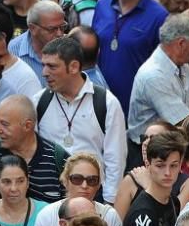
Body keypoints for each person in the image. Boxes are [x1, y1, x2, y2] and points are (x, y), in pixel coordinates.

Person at [34, 37, 126, 203]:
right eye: (43, 65)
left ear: (74, 66)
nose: (44, 73)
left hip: (90, 193)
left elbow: (115, 159)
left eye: (52, 66)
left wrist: (109, 203)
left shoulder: (106, 102)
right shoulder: (38, 101)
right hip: (48, 194)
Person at [93, 0, 168, 114]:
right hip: (100, 104)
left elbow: (162, 68)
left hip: (137, 109)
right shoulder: (102, 5)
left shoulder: (159, 17)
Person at [127, 14, 189, 150]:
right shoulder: (153, 76)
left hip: (172, 145)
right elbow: (182, 122)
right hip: (147, 151)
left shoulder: (184, 66)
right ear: (181, 44)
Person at [31, 153, 125, 226]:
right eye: (77, 179)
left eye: (92, 180)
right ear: (65, 181)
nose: (84, 185)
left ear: (98, 185)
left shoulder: (110, 216)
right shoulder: (47, 215)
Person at [0, 157, 46, 226]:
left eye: (20, 181)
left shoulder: (45, 212)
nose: (13, 188)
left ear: (28, 181)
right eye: (7, 182)